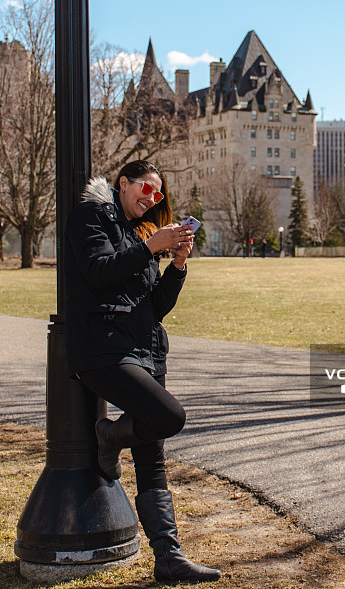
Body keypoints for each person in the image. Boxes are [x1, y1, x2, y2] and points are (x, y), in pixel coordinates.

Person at [64, 159, 221, 584]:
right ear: (123, 184)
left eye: (158, 194)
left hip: (145, 349)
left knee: (152, 456)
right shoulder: (91, 216)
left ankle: (168, 557)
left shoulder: (143, 234)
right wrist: (151, 248)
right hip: (102, 350)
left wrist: (178, 265)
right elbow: (98, 271)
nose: (152, 199)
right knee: (169, 417)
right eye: (145, 190)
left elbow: (157, 307)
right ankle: (109, 435)